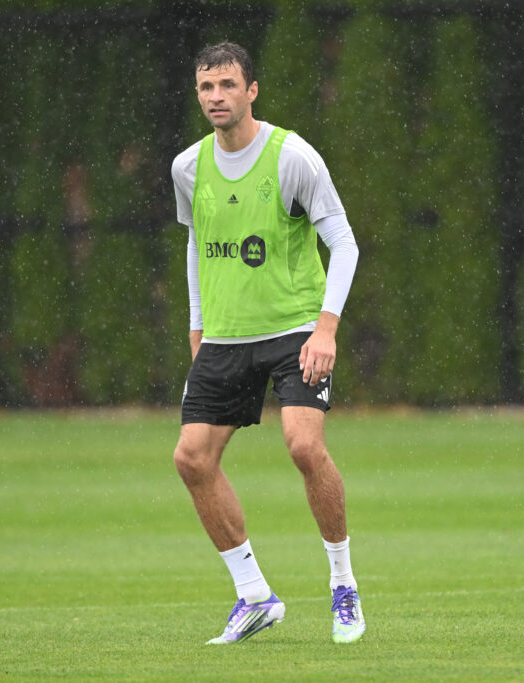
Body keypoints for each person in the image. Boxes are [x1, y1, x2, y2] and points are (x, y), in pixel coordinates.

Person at [170, 42, 365, 645]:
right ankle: (254, 595)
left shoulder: (291, 157)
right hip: (226, 338)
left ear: (251, 90)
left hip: (295, 330)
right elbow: (198, 248)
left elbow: (345, 243)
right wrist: (198, 329)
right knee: (191, 459)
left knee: (304, 447)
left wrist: (326, 327)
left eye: (227, 85)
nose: (216, 97)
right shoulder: (187, 167)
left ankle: (342, 583)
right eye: (206, 88)